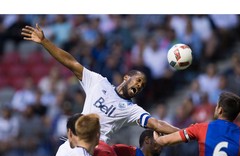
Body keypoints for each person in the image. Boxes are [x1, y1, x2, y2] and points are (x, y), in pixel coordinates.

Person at [21, 24, 179, 145]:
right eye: (138, 80)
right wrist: (44, 41)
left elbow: (156, 123)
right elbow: (71, 63)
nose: (139, 86)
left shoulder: (132, 109)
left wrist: (185, 133)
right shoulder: (99, 82)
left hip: (97, 148)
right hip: (74, 141)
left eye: (142, 86)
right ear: (126, 77)